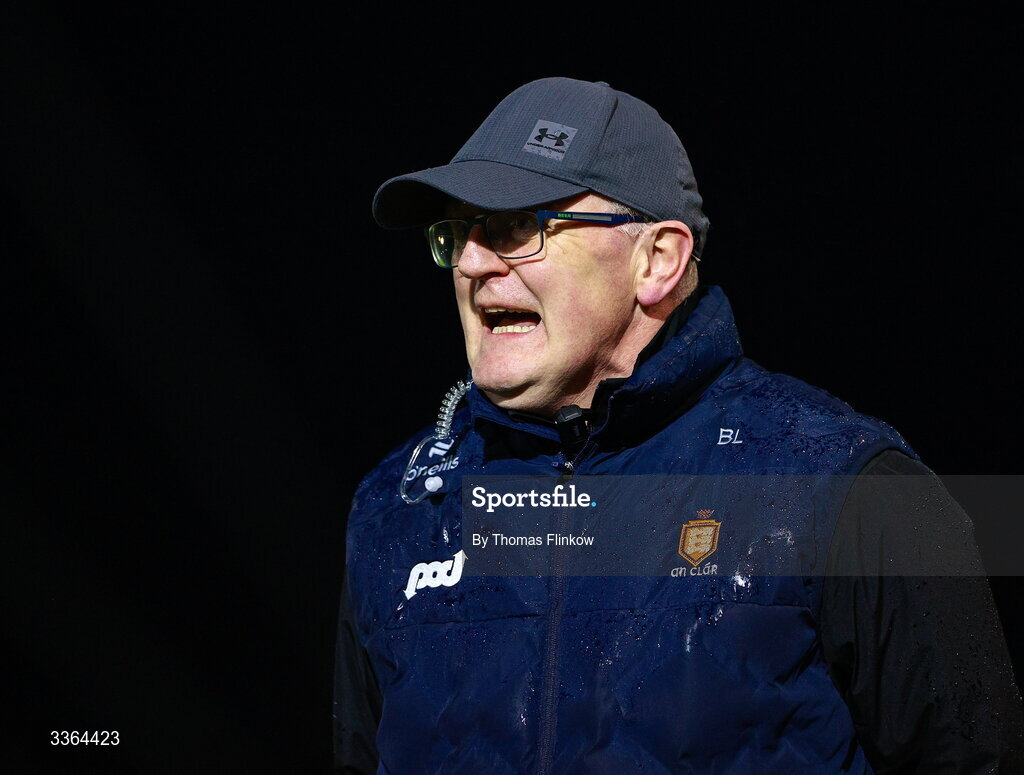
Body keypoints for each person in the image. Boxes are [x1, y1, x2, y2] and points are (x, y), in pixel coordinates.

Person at [334, 77, 1023, 774]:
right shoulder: (398, 507)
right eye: (458, 231)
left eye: (518, 225)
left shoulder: (846, 484)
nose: (475, 263)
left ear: (658, 259)